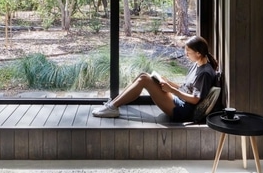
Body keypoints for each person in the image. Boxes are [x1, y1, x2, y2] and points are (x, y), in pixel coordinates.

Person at [92, 35, 220, 122]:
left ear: (198, 53)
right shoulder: (197, 64)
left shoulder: (205, 73)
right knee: (143, 75)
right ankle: (113, 104)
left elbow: (195, 100)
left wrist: (171, 90)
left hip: (182, 110)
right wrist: (168, 82)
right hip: (178, 99)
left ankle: (112, 107)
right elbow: (186, 88)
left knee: (144, 80)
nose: (186, 54)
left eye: (188, 52)